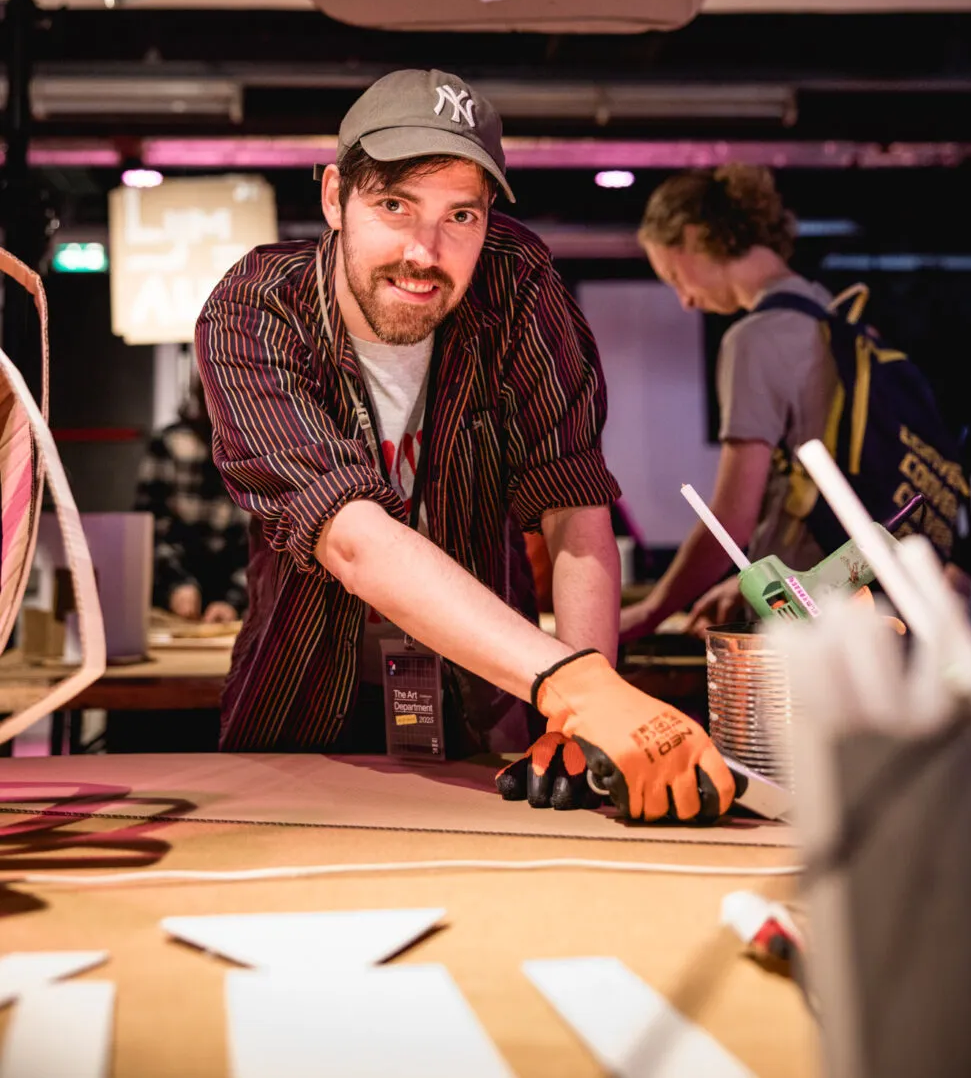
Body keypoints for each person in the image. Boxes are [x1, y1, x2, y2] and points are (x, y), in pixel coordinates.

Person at [194, 69, 734, 824]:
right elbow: (350, 536)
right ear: (334, 198)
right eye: (394, 205)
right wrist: (574, 684)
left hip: (492, 716)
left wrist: (578, 719)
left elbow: (574, 507)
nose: (425, 251)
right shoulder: (257, 308)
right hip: (301, 715)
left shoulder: (517, 286)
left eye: (461, 215)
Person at [620, 165, 837, 642]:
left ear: (694, 237)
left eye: (674, 275)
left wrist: (650, 612)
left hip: (804, 626)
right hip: (854, 595)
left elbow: (732, 518)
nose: (685, 300)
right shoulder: (831, 314)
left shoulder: (755, 338)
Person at [134, 376, 249, 624]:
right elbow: (148, 531)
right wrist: (176, 584)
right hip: (170, 597)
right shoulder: (171, 444)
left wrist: (233, 600)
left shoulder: (258, 454)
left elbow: (261, 547)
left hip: (234, 605)